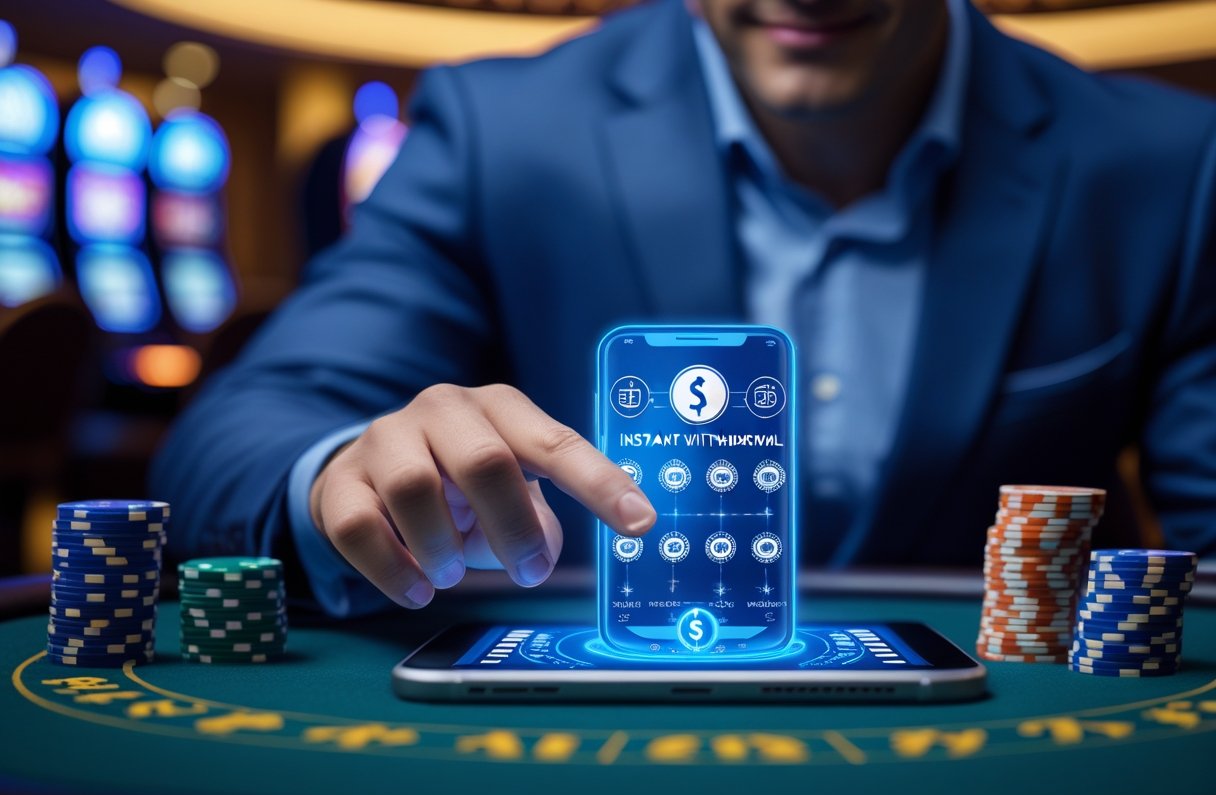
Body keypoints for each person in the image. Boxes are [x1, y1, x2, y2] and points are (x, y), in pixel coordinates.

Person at [151, 0, 1216, 617]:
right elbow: (238, 438)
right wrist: (341, 471)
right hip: (597, 755)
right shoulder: (499, 128)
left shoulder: (1164, 163)